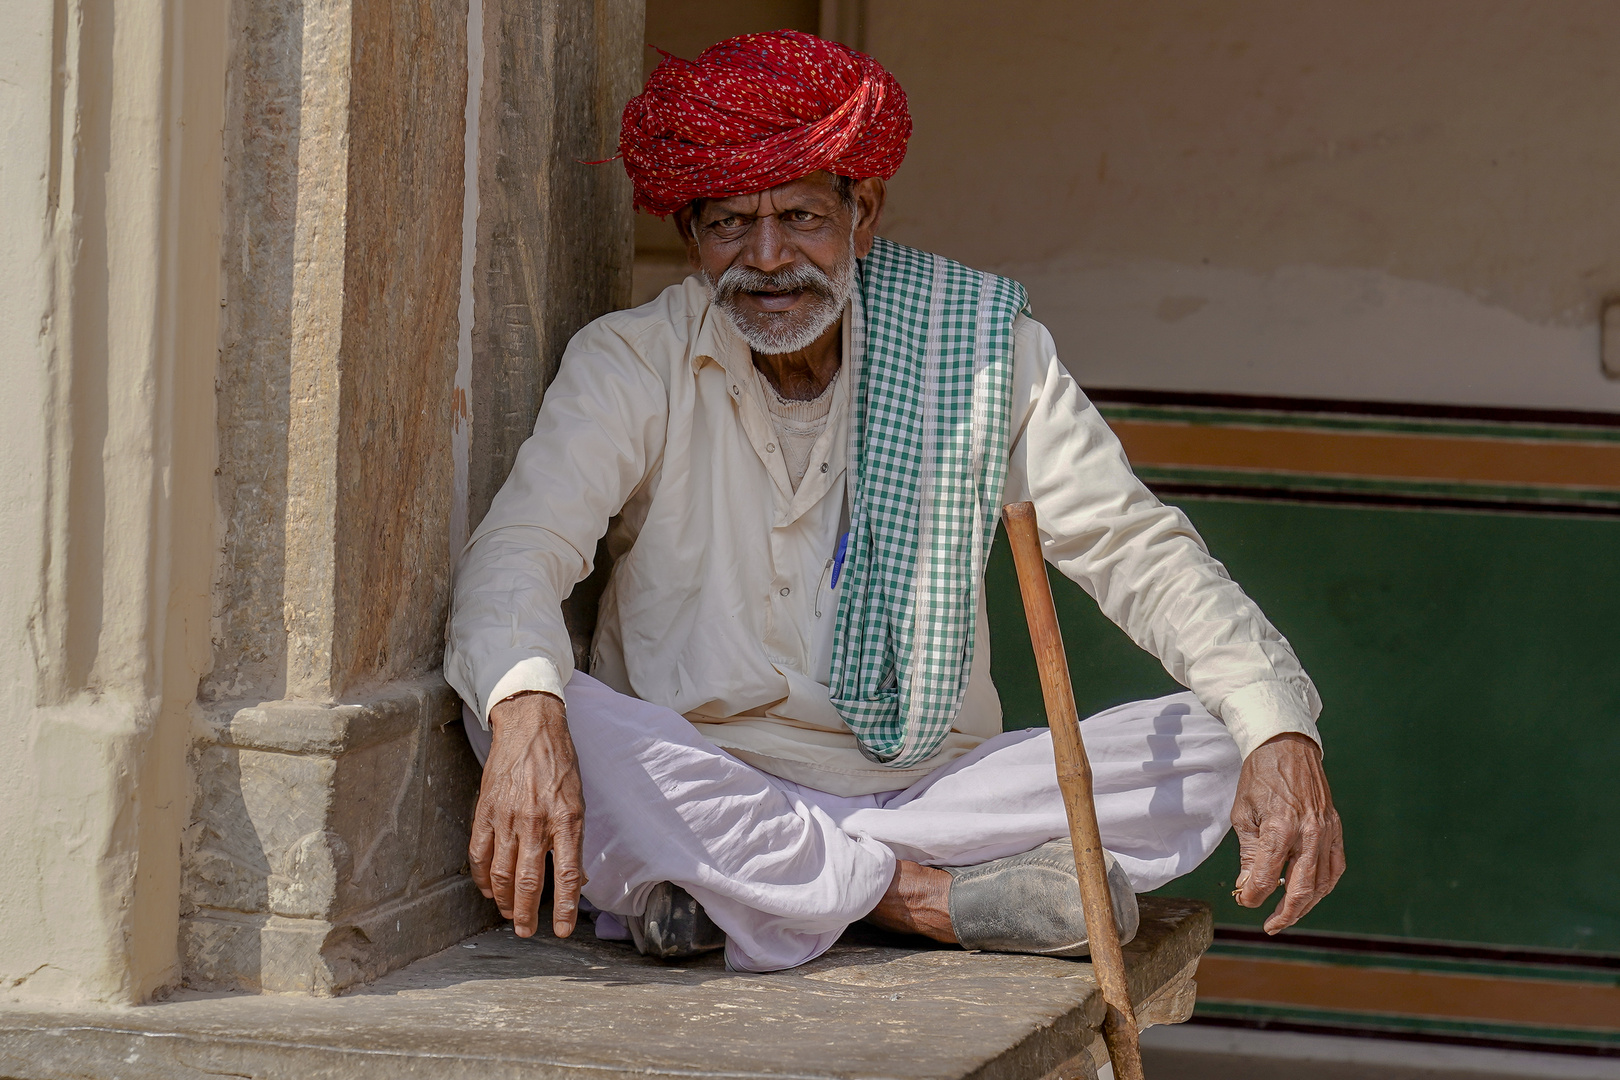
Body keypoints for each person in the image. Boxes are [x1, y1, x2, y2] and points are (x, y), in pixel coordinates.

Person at [445, 29, 1345, 973]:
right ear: (691, 238)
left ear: (861, 212)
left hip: (936, 790)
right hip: (700, 771)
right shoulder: (630, 362)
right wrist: (526, 715)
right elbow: (519, 550)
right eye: (729, 226)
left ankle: (748, 894)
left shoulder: (978, 353)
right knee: (514, 702)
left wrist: (1278, 729)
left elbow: (1134, 547)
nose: (767, 256)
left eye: (799, 216)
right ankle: (915, 899)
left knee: (1210, 744)